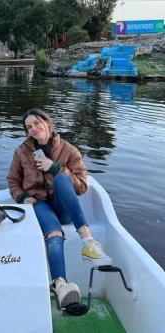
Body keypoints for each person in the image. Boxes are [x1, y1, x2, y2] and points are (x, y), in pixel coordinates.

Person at [7, 108, 112, 308]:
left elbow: (81, 187)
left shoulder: (69, 150)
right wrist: (20, 196)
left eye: (37, 123)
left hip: (64, 207)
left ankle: (87, 241)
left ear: (47, 122)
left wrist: (55, 167)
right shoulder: (21, 152)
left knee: (62, 179)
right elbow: (12, 180)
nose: (34, 129)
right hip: (40, 204)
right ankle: (60, 284)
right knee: (54, 233)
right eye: (29, 127)